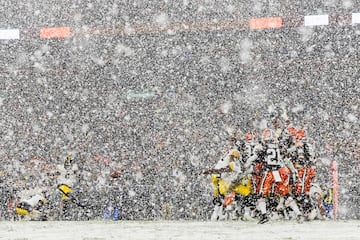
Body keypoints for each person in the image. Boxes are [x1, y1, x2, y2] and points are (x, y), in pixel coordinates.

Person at [244, 128, 302, 224]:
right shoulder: (278, 146)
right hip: (279, 171)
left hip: (269, 172)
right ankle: (298, 213)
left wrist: (247, 164)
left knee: (261, 194)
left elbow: (255, 158)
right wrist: (293, 170)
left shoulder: (262, 146)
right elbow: (286, 158)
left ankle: (264, 215)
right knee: (285, 194)